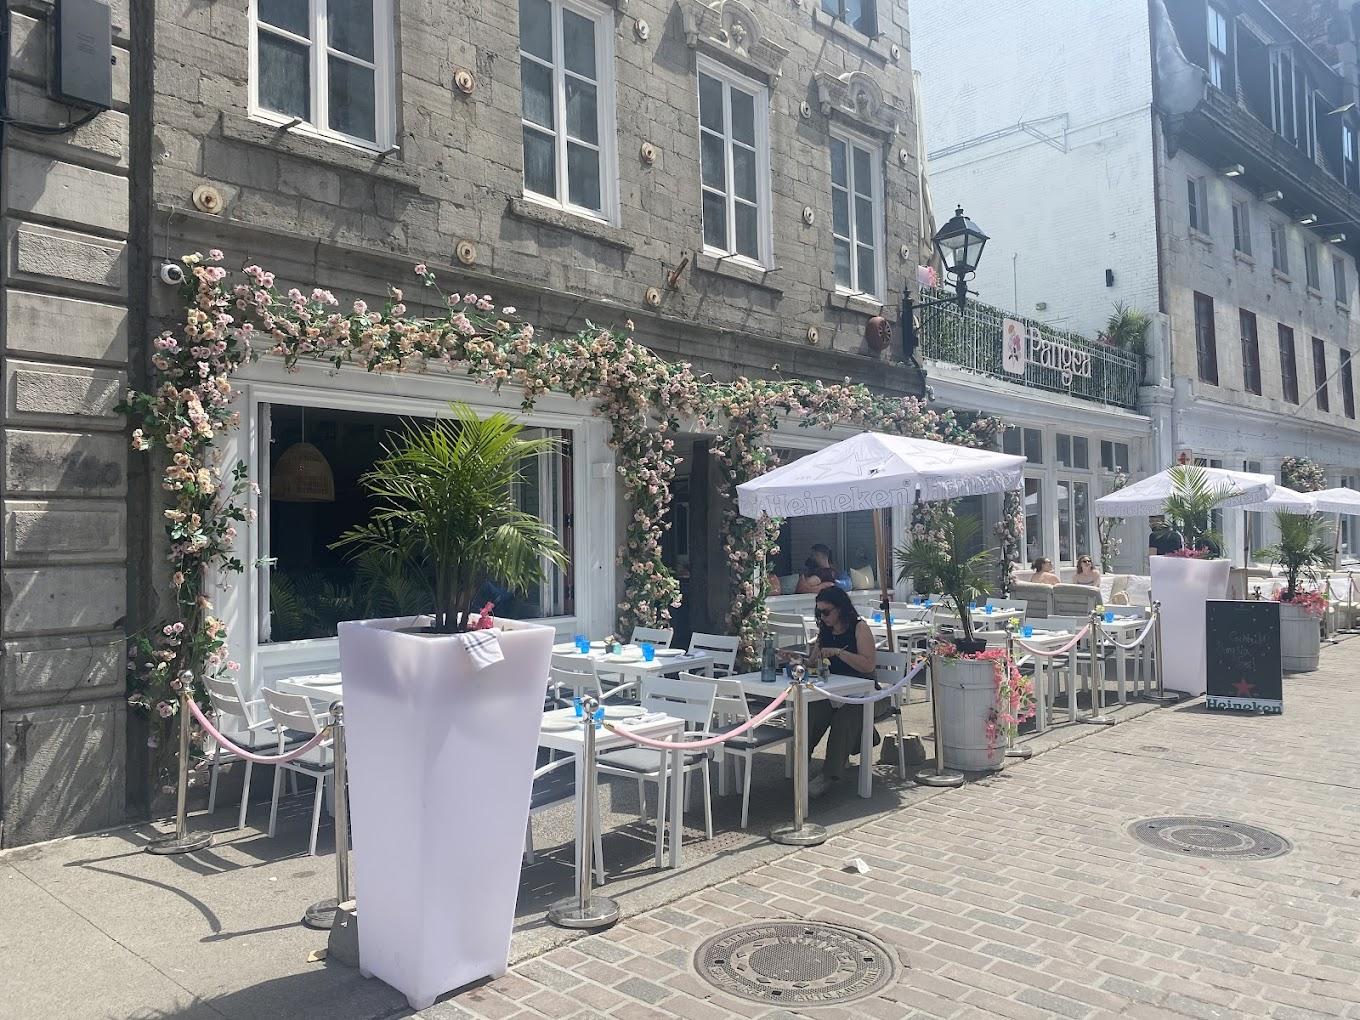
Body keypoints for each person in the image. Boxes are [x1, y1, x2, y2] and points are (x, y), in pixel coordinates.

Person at [803, 587, 880, 798]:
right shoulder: (825, 631)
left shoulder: (859, 628)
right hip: (832, 692)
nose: (822, 617)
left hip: (863, 693)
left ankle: (829, 775)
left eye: (826, 612)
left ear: (841, 609)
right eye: (819, 613)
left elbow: (868, 665)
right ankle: (801, 763)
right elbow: (812, 664)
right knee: (810, 713)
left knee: (844, 720)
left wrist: (839, 653)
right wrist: (797, 660)